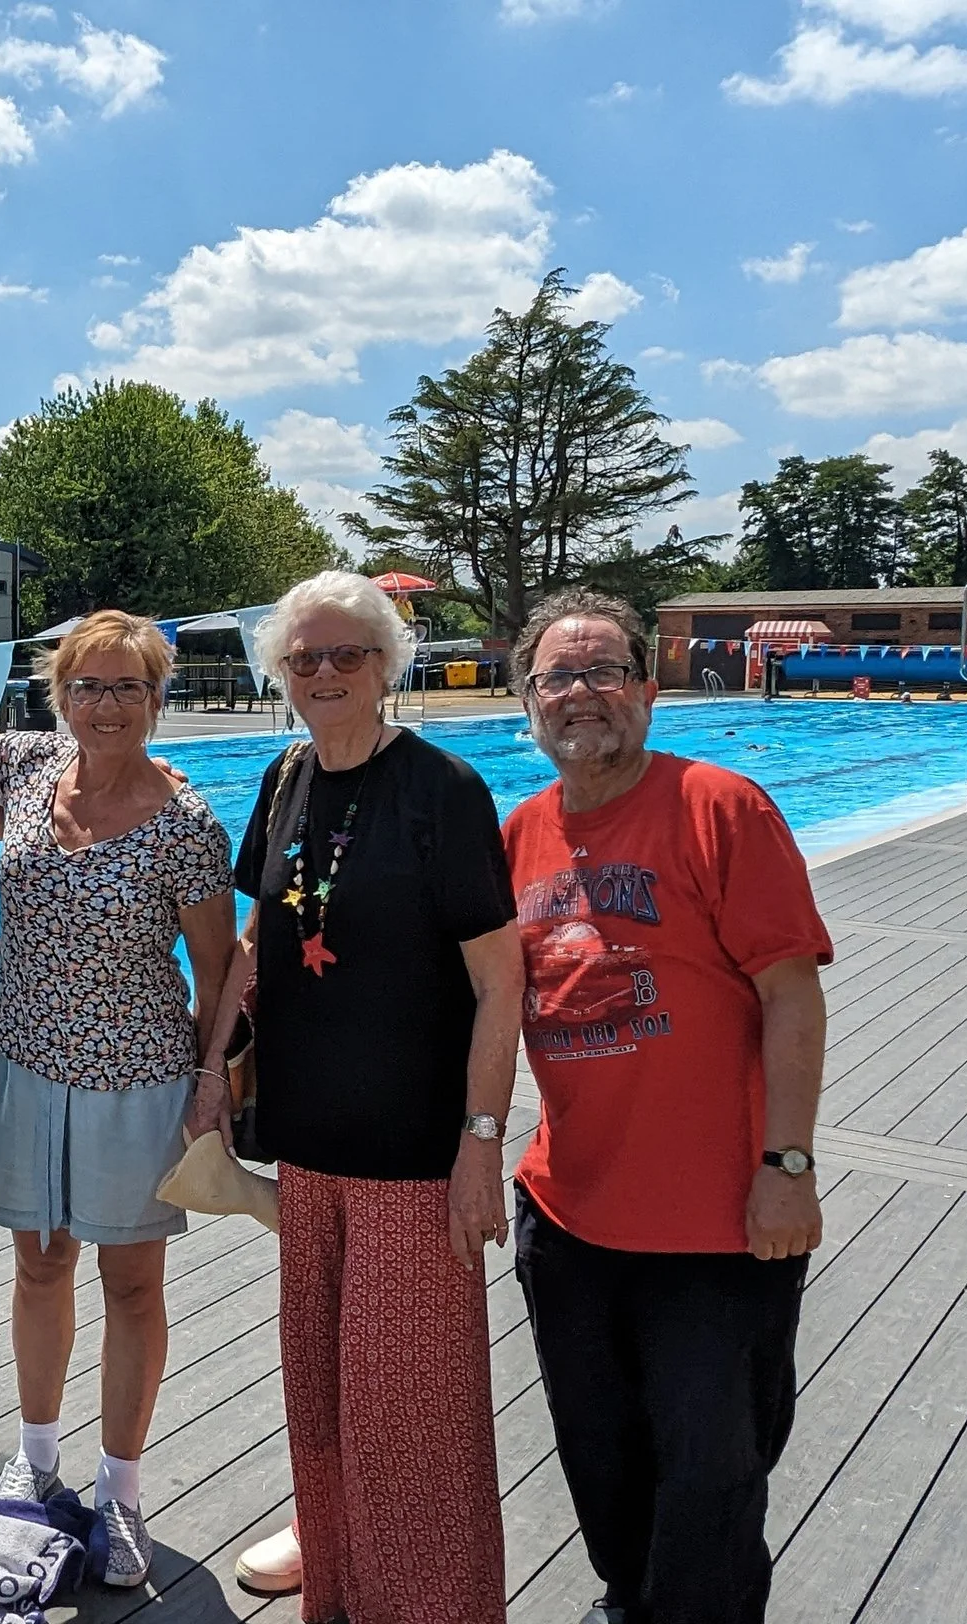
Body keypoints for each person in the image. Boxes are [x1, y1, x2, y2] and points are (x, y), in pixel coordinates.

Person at [502, 589, 830, 1624]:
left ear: (648, 689)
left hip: (714, 1224)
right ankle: (627, 1601)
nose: (580, 693)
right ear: (527, 699)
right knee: (598, 1454)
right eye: (558, 675)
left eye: (602, 671)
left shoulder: (717, 806)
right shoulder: (517, 835)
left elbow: (790, 993)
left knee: (713, 1473)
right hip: (566, 1213)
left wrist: (786, 1167)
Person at [205, 569, 524, 1624]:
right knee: (325, 1396)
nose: (326, 672)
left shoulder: (442, 790)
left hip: (413, 1153)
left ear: (387, 664)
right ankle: (337, 1588)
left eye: (348, 654)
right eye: (305, 658)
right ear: (279, 673)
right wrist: (215, 1065)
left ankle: (433, 1605)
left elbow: (499, 978)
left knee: (411, 1417)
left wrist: (482, 1140)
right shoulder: (286, 774)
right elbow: (258, 941)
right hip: (309, 1150)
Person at [0, 610, 235, 1588]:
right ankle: (35, 1461)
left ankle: (119, 1491)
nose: (107, 704)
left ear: (158, 697)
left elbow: (220, 969)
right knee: (40, 1265)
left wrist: (212, 1084)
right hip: (23, 1063)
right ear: (59, 695)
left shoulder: (186, 823)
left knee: (130, 1285)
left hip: (137, 1076)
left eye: (129, 686)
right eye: (88, 684)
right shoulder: (24, 771)